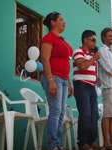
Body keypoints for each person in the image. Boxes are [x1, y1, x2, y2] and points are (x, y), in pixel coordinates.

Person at [40, 11, 73, 150]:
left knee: (60, 113)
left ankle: (58, 145)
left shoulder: (61, 40)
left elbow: (65, 62)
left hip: (64, 79)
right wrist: (51, 80)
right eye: (61, 19)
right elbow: (45, 59)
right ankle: (54, 145)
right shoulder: (48, 38)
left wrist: (69, 82)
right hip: (54, 78)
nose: (64, 22)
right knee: (55, 111)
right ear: (53, 22)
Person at [72, 30, 102, 150]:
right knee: (86, 115)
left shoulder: (91, 55)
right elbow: (82, 66)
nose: (95, 42)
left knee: (94, 115)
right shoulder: (78, 51)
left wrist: (97, 79)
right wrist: (94, 58)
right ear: (85, 39)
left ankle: (91, 141)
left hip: (91, 87)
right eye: (93, 39)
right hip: (81, 86)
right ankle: (82, 143)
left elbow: (90, 70)